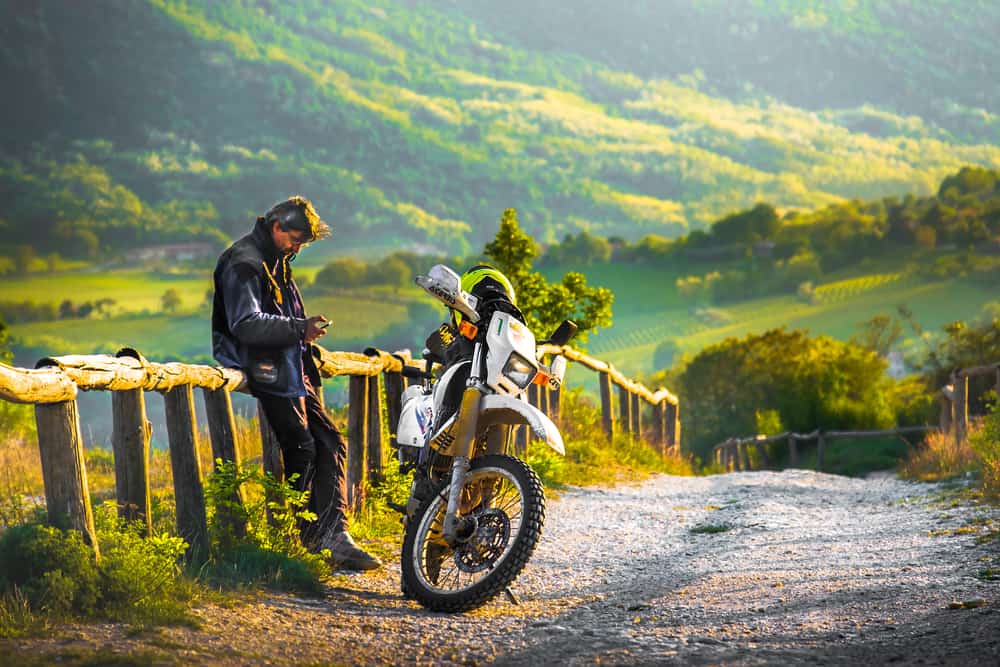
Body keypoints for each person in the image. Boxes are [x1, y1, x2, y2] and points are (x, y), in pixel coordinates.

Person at [211, 195, 381, 571]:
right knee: (303, 449)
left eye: (303, 241)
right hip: (264, 366)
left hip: (286, 365)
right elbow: (246, 324)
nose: (299, 247)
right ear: (277, 227)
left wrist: (302, 338)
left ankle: (335, 535)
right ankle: (309, 538)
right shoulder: (245, 263)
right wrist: (299, 329)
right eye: (295, 238)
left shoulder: (275, 259)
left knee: (330, 441)